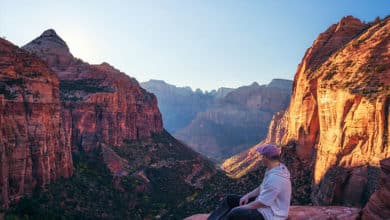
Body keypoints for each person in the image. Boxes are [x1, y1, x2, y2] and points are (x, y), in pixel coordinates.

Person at [207, 144, 291, 220]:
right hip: (265, 207)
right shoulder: (274, 169)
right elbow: (262, 187)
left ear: (265, 157)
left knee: (235, 213)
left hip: (270, 215)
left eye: (262, 156)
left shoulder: (275, 179)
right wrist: (247, 196)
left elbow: (262, 203)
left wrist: (243, 208)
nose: (261, 158)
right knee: (230, 199)